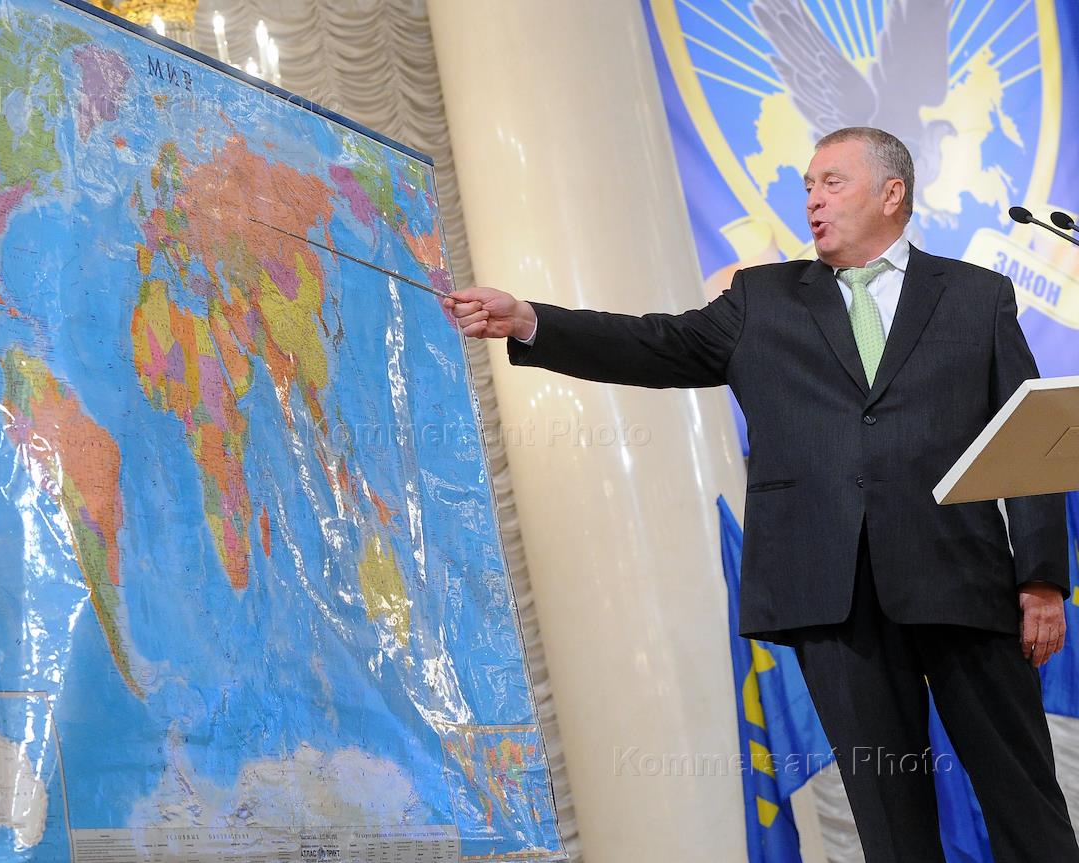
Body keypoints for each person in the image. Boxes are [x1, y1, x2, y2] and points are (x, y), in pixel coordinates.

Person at [445, 126, 1078, 862]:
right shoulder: (762, 299)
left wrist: (1041, 580)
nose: (812, 200)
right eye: (807, 186)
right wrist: (531, 320)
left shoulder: (976, 295)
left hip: (961, 578)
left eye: (831, 182)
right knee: (891, 819)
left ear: (892, 193)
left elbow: (1030, 436)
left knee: (1023, 798)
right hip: (831, 594)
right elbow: (655, 343)